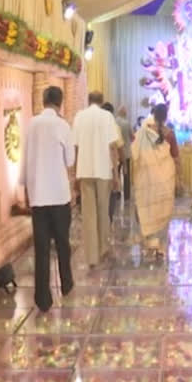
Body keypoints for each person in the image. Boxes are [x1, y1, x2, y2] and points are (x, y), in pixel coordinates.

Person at [19, 86, 75, 311]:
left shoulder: (31, 124)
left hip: (38, 196)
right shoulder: (62, 125)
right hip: (59, 194)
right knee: (62, 243)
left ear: (43, 101)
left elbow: (25, 158)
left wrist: (25, 189)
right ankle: (66, 284)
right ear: (60, 103)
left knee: (41, 247)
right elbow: (70, 160)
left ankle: (42, 298)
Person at [72, 91, 120, 269]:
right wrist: (116, 175)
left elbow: (75, 147)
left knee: (89, 214)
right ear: (101, 102)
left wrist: (75, 175)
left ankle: (92, 257)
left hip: (84, 170)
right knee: (102, 211)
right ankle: (103, 248)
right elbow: (112, 148)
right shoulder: (107, 117)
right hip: (103, 170)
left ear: (88, 100)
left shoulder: (79, 117)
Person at [132, 104, 178, 259]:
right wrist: (180, 177)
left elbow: (135, 154)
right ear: (165, 117)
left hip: (147, 179)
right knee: (163, 210)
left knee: (148, 209)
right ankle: (161, 247)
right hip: (165, 179)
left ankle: (150, 243)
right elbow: (176, 157)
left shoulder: (142, 132)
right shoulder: (169, 134)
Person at [102, 102, 125, 225]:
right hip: (111, 165)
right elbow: (119, 147)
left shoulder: (96, 125)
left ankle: (103, 222)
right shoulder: (114, 127)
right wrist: (123, 164)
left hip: (98, 166)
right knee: (111, 193)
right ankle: (108, 221)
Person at [116, 107, 133, 200]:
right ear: (125, 113)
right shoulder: (127, 123)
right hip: (126, 152)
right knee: (126, 174)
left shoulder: (114, 122)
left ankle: (117, 193)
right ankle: (126, 195)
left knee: (116, 173)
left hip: (116, 153)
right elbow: (132, 136)